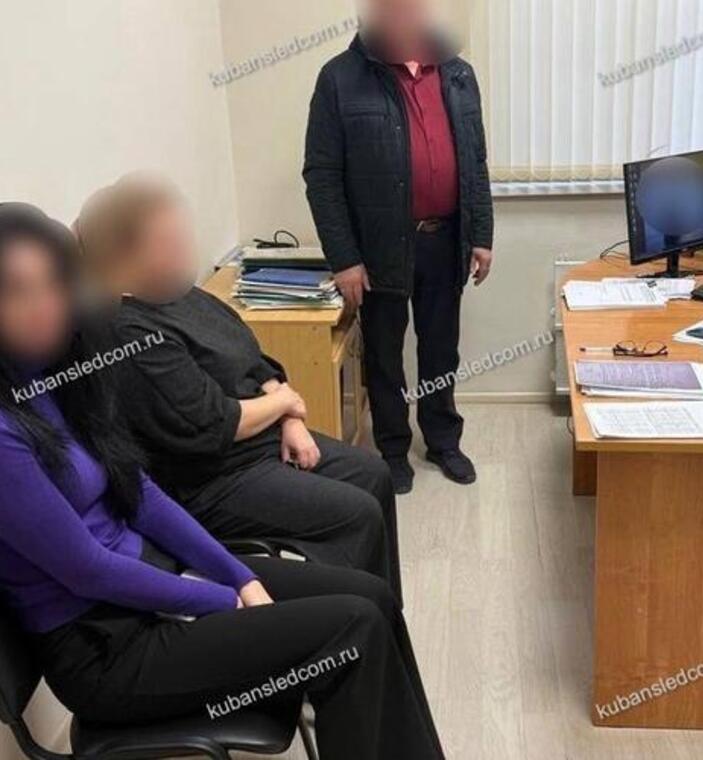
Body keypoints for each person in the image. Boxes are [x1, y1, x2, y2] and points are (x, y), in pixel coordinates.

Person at [0, 203, 444, 759]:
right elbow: (86, 569)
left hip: (151, 582)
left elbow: (142, 496)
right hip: (106, 649)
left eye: (52, 284)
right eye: (16, 291)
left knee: (370, 596)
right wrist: (223, 599)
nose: (42, 306)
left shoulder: (62, 377)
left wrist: (237, 575)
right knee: (352, 631)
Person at [75, 174, 402, 602]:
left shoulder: (180, 294)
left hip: (264, 439)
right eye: (168, 242)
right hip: (214, 479)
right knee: (356, 514)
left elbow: (254, 358)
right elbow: (214, 423)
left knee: (374, 475)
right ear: (123, 254)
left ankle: (386, 613)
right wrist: (285, 402)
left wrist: (290, 418)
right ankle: (352, 615)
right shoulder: (128, 331)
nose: (183, 248)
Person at [303, 0, 494, 494]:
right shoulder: (339, 79)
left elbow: (475, 161)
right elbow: (322, 177)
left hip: (446, 238)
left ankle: (443, 441)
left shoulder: (458, 73)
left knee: (441, 350)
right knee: (384, 355)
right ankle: (391, 449)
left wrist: (482, 234)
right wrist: (345, 259)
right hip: (378, 248)